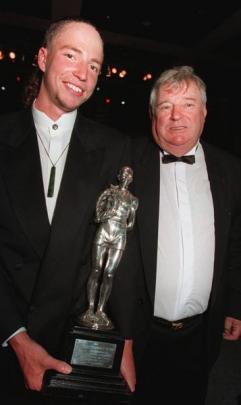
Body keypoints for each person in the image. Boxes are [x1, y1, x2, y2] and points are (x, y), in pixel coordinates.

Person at [0, 17, 136, 404]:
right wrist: (18, 340)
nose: (83, 73)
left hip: (75, 348)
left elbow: (121, 255)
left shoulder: (114, 148)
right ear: (43, 58)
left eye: (94, 65)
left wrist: (124, 342)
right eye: (72, 55)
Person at [129, 65, 241, 405]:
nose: (177, 116)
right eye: (166, 106)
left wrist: (235, 304)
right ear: (153, 113)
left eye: (189, 104)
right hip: (136, 335)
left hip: (200, 334)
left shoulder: (231, 171)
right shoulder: (126, 162)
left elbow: (235, 244)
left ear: (204, 112)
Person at [79, 166, 138, 330]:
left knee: (109, 273)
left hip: (119, 236)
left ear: (131, 179)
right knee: (96, 270)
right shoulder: (109, 192)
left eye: (129, 174)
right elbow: (97, 216)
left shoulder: (133, 200)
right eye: (124, 173)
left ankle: (101, 310)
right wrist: (109, 213)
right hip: (104, 231)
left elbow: (131, 224)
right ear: (119, 176)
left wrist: (122, 224)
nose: (126, 176)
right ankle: (90, 309)